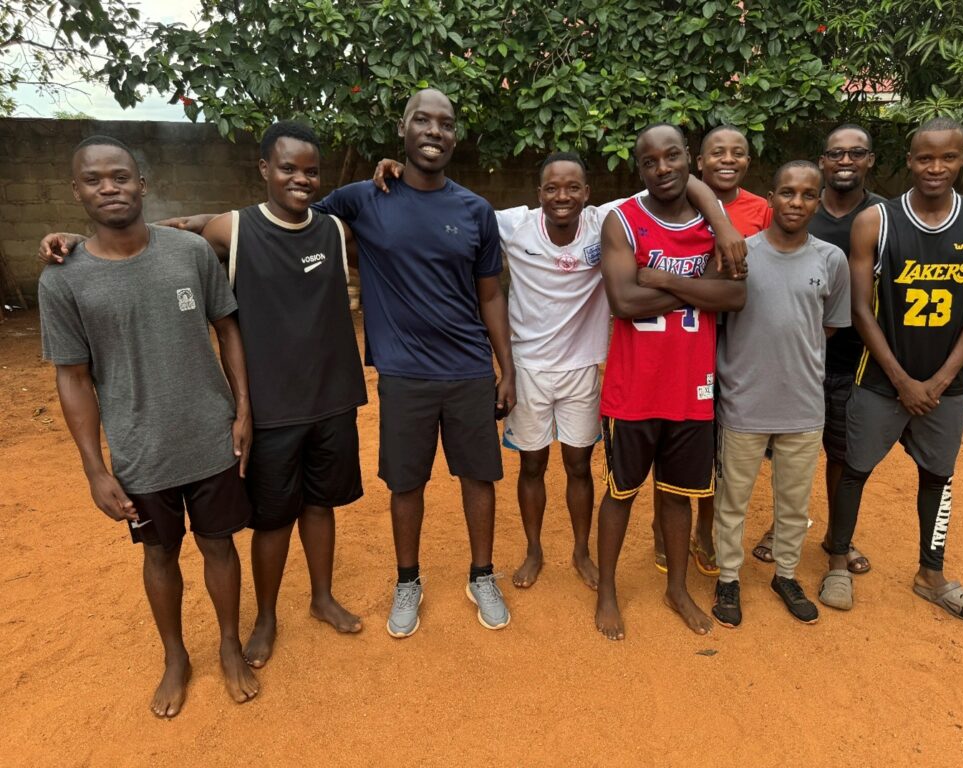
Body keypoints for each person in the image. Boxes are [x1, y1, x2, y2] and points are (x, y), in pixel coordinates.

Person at [38, 122, 368, 668]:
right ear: (264, 169)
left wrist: (389, 173)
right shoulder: (227, 231)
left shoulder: (335, 231)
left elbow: (393, 225)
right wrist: (78, 240)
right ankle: (265, 618)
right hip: (271, 406)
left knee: (320, 505)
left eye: (311, 171)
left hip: (332, 399)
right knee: (271, 518)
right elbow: (165, 231)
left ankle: (322, 597)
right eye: (287, 168)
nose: (300, 179)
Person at [373, 151, 746, 591]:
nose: (562, 196)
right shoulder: (515, 224)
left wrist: (722, 225)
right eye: (551, 188)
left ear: (587, 193)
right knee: (532, 466)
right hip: (528, 367)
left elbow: (679, 181)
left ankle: (581, 551)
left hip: (583, 367)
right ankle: (534, 550)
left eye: (572, 188)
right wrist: (405, 175)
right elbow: (451, 205)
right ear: (538, 194)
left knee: (579, 466)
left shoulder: (603, 220)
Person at [38, 136, 258, 717]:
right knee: (159, 554)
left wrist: (242, 410)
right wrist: (94, 469)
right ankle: (175, 657)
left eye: (120, 176)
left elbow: (227, 328)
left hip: (210, 437)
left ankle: (229, 645)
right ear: (76, 191)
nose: (108, 187)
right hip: (140, 452)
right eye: (93, 180)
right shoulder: (62, 279)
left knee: (219, 546)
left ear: (143, 183)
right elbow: (73, 378)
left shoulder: (189, 252)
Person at [314, 89, 516, 637]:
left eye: (445, 124)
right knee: (406, 482)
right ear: (402, 129)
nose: (434, 131)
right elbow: (294, 217)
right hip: (404, 373)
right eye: (422, 120)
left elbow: (490, 294)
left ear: (455, 136)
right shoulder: (365, 197)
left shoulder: (475, 211)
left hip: (469, 368)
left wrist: (507, 368)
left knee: (479, 476)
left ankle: (482, 575)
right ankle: (408, 581)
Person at [819, 117, 963, 622]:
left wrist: (939, 380)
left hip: (947, 385)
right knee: (853, 469)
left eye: (947, 157)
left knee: (938, 476)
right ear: (909, 161)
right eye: (925, 158)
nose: (935, 167)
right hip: (880, 380)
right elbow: (860, 309)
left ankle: (931, 574)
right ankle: (837, 560)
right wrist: (901, 380)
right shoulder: (876, 222)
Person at [595, 123, 747, 640]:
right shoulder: (622, 220)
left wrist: (661, 279)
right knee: (620, 493)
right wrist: (700, 286)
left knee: (679, 495)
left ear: (690, 159)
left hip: (691, 389)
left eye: (673, 156)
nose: (663, 168)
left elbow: (735, 297)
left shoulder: (714, 225)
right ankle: (608, 590)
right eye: (650, 161)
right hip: (633, 389)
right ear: (639, 168)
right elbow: (623, 302)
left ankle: (677, 589)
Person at [712, 160, 851, 628]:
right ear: (770, 199)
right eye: (787, 192)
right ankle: (728, 578)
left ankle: (786, 575)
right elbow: (720, 320)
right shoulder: (740, 253)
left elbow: (827, 326)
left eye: (808, 194)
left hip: (803, 405)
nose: (797, 202)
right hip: (744, 402)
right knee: (732, 499)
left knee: (793, 503)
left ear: (819, 201)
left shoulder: (831, 259)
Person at [750, 124, 884, 570]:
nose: (846, 161)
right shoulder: (799, 210)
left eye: (856, 153)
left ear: (870, 160)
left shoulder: (883, 216)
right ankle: (782, 525)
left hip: (853, 360)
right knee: (783, 450)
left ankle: (838, 537)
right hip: (793, 362)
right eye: (836, 153)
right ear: (822, 162)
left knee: (842, 455)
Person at [651, 124, 771, 578]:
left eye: (738, 152)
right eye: (717, 152)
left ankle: (707, 529)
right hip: (682, 339)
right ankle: (662, 526)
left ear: (748, 162)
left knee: (717, 446)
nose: (728, 159)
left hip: (737, 342)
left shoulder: (761, 210)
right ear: (698, 162)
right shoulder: (676, 199)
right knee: (671, 434)